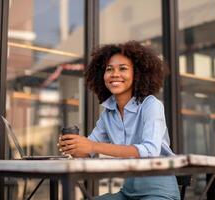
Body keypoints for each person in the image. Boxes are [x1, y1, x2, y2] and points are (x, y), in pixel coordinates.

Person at [58, 41, 180, 199]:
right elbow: (88, 153)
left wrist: (92, 145)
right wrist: (73, 146)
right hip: (128, 192)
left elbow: (149, 151)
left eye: (123, 68)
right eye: (109, 69)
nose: (115, 74)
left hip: (159, 192)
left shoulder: (151, 105)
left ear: (138, 74)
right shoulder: (108, 113)